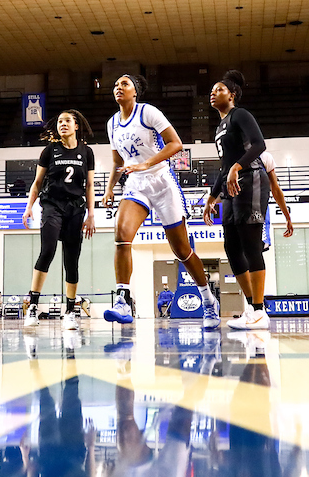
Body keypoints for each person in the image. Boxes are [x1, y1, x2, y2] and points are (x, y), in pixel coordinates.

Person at [103, 74, 220, 329]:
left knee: (181, 251)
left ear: (136, 91)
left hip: (162, 181)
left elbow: (175, 144)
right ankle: (123, 300)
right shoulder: (112, 124)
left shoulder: (148, 113)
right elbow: (116, 162)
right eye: (115, 85)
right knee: (122, 234)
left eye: (124, 84)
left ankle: (208, 300)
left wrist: (147, 163)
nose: (118, 88)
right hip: (135, 184)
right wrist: (109, 188)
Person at [203, 71, 270, 331]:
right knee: (231, 247)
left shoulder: (240, 115)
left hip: (251, 179)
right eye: (212, 90)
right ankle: (252, 308)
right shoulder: (219, 127)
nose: (213, 93)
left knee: (251, 244)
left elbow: (259, 145)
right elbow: (223, 167)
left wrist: (237, 167)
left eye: (219, 89)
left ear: (231, 95)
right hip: (231, 185)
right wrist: (211, 197)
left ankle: (260, 312)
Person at [22, 110, 96, 331]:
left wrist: (91, 214)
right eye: (60, 121)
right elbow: (37, 182)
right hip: (52, 204)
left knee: (71, 260)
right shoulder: (49, 151)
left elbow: (90, 185)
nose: (63, 124)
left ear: (76, 126)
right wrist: (29, 207)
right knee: (48, 251)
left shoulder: (87, 152)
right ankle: (33, 307)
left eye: (67, 121)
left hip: (76, 208)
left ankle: (70, 311)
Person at [258, 151, 294, 251]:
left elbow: (276, 190)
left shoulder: (264, 157)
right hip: (239, 210)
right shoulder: (233, 155)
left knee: (256, 253)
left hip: (259, 210)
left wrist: (287, 218)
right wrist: (211, 201)